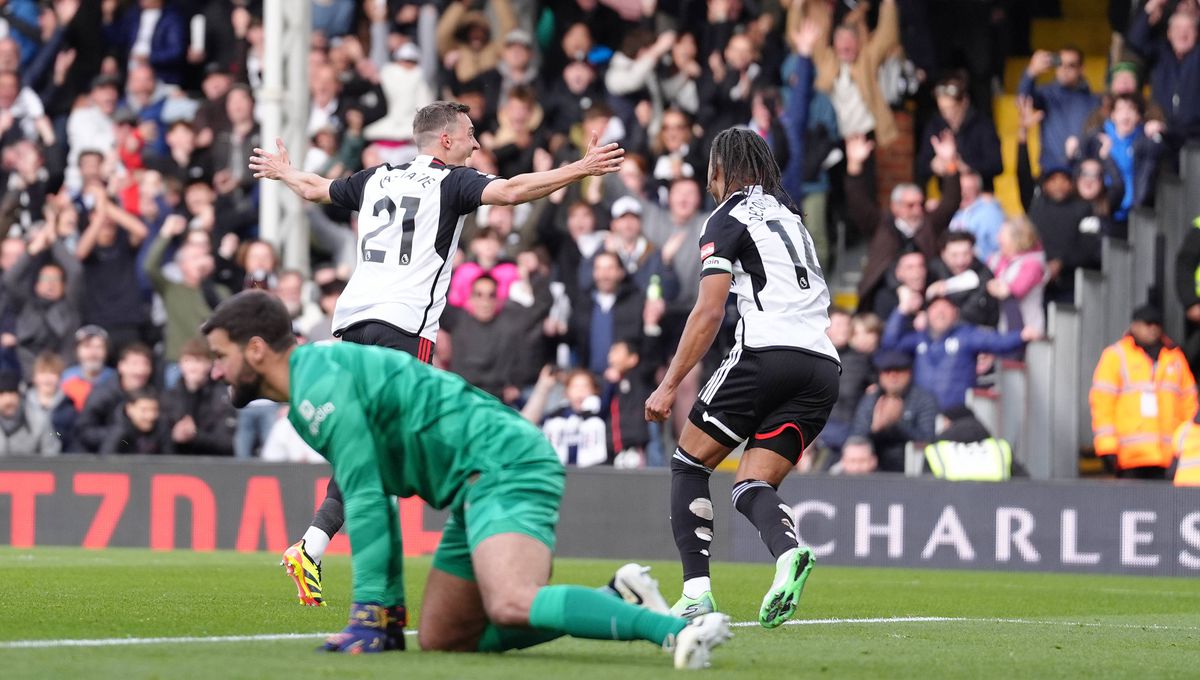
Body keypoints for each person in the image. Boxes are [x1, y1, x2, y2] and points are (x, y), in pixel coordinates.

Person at [201, 290, 730, 666]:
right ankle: (618, 599)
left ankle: (678, 630)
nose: (215, 371)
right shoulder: (306, 393)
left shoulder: (317, 385)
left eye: (220, 356)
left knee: (509, 602)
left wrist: (367, 616)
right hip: (470, 485)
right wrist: (385, 617)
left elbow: (362, 496)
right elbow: (375, 498)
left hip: (504, 464)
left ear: (254, 350)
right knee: (444, 637)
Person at [248, 99, 625, 606]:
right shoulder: (452, 181)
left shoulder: (377, 176)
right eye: (470, 134)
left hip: (350, 323)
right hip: (402, 328)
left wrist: (284, 172)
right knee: (390, 454)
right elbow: (512, 192)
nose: (476, 143)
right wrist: (581, 169)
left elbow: (317, 189)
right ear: (446, 140)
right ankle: (460, 544)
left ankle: (316, 550)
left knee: (373, 449)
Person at [644, 128, 840, 628]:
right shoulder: (791, 216)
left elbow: (708, 313)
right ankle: (788, 554)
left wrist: (669, 384)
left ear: (719, 170)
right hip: (822, 365)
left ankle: (695, 594)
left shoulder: (727, 216)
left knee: (689, 463)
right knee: (750, 481)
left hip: (766, 354)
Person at [1090, 305, 1198, 480]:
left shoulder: (1175, 358)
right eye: (1148, 324)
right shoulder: (1116, 356)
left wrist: (1188, 446)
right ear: (1135, 325)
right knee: (1133, 504)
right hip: (1131, 457)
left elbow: (1189, 405)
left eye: (1157, 324)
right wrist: (1107, 446)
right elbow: (1102, 404)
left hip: (1169, 456)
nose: (1153, 328)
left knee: (1169, 505)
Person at [849, 350, 938, 473]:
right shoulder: (872, 398)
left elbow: (927, 439)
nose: (893, 377)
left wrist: (896, 425)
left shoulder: (923, 399)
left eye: (898, 372)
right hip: (874, 465)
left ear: (909, 373)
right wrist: (876, 429)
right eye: (887, 372)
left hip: (910, 466)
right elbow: (857, 435)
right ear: (880, 375)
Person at [922, 405, 1028, 481]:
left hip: (952, 508)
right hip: (998, 508)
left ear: (949, 423)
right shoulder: (1000, 449)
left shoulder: (936, 451)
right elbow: (1028, 486)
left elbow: (926, 493)